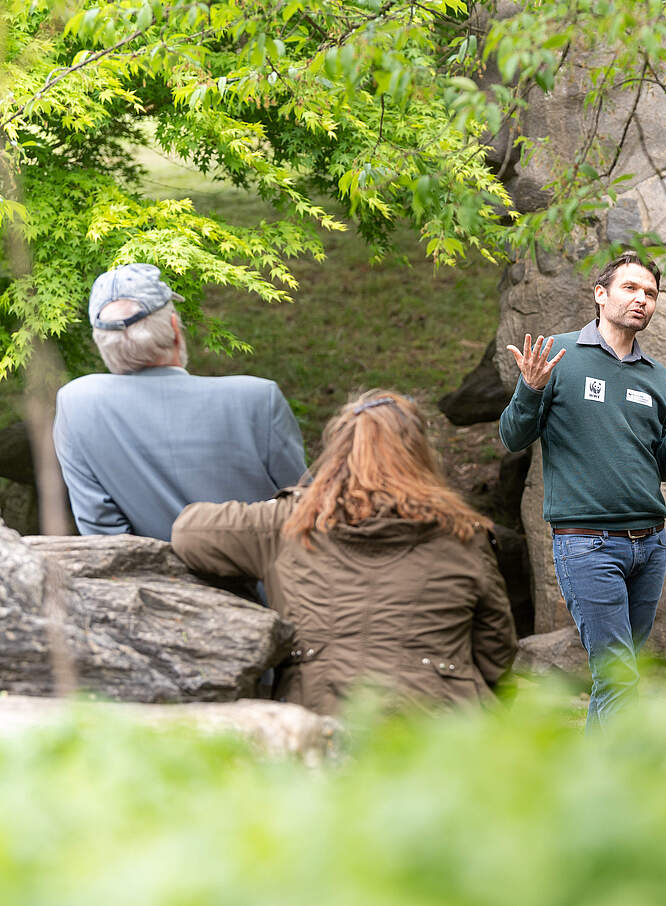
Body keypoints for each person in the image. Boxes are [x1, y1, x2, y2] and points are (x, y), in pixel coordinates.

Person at [171, 389, 517, 716]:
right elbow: (496, 654)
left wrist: (291, 504)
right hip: (441, 729)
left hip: (320, 721)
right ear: (421, 455)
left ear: (336, 453)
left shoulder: (289, 521)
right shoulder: (465, 533)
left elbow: (189, 533)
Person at [499, 250, 666, 729]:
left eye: (650, 293)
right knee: (620, 675)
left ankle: (596, 784)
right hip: (587, 545)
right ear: (600, 295)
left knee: (619, 676)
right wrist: (530, 389)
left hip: (649, 546)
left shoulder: (656, 376)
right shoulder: (558, 356)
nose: (642, 299)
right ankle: (618, 786)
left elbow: (664, 466)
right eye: (631, 288)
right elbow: (513, 438)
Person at [53, 263, 306, 541]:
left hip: (147, 583)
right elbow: (305, 510)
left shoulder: (76, 404)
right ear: (175, 327)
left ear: (100, 341)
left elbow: (101, 532)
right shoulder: (258, 399)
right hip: (259, 581)